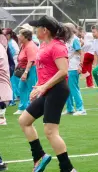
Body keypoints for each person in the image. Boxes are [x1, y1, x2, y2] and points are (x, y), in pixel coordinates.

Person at [18, 16, 77, 172]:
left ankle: (68, 168)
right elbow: (46, 70)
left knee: (50, 131)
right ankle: (39, 156)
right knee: (24, 120)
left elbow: (63, 71)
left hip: (57, 90)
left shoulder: (58, 46)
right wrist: (37, 86)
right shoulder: (43, 45)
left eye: (37, 27)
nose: (35, 30)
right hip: (47, 89)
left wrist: (43, 87)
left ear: (45, 30)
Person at [62, 23, 86, 116]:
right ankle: (70, 108)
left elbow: (81, 53)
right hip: (67, 67)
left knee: (74, 88)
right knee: (67, 89)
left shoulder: (74, 39)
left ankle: (81, 109)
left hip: (73, 67)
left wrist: (80, 65)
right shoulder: (67, 40)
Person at [14, 29, 39, 115]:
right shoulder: (23, 45)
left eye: (20, 35)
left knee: (31, 88)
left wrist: (26, 72)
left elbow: (31, 61)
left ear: (26, 37)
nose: (18, 36)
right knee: (21, 87)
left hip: (30, 69)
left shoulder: (30, 46)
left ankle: (32, 108)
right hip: (24, 69)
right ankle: (22, 107)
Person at [2, 28, 20, 105]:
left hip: (11, 65)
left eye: (4, 34)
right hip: (8, 65)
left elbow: (15, 53)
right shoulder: (7, 42)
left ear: (9, 35)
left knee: (11, 83)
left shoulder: (11, 43)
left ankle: (11, 100)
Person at [0, 33, 13, 126]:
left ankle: (2, 117)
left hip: (3, 71)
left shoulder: (2, 41)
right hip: (5, 69)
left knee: (3, 95)